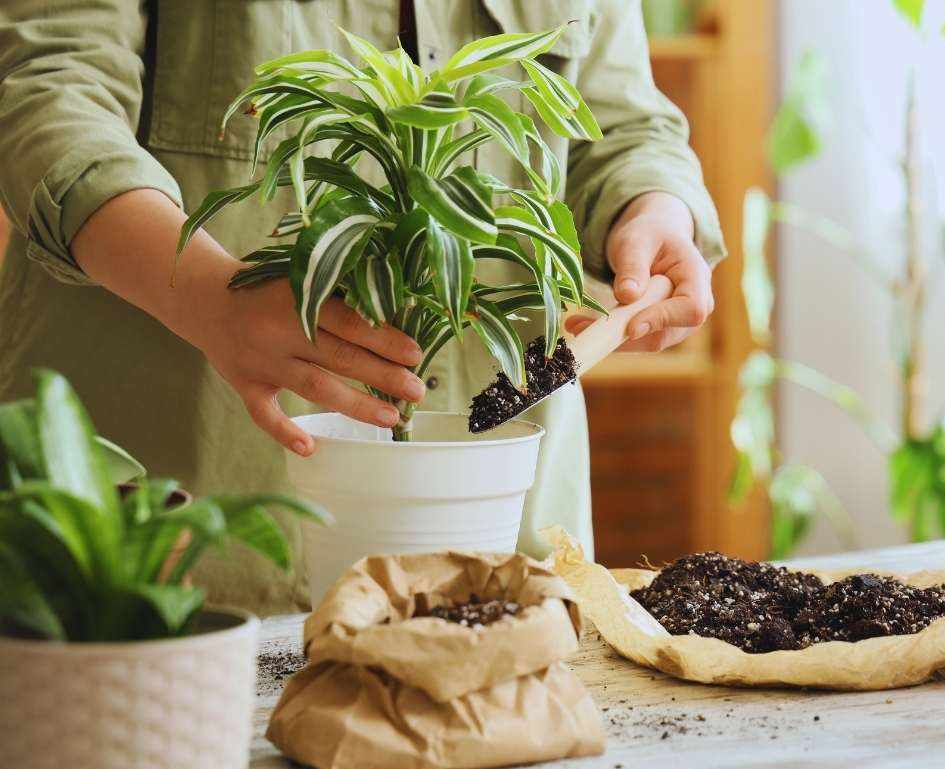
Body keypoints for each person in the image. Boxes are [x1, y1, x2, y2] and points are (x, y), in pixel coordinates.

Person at [0, 1, 724, 613]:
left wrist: (653, 209)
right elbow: (49, 85)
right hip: (178, 556)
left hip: (505, 551)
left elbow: (622, 124)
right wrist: (202, 292)